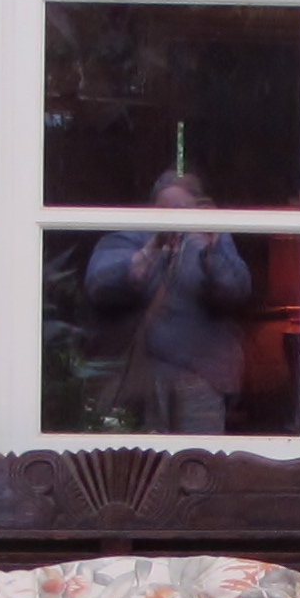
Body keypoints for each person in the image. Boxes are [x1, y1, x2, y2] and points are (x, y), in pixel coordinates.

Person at [86, 171, 253, 431]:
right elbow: (99, 285)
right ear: (151, 209)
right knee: (140, 455)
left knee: (198, 455)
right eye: (166, 210)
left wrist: (210, 252)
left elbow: (236, 290)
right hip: (138, 379)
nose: (174, 217)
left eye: (183, 209)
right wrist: (150, 251)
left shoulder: (211, 237)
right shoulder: (129, 235)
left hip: (201, 378)